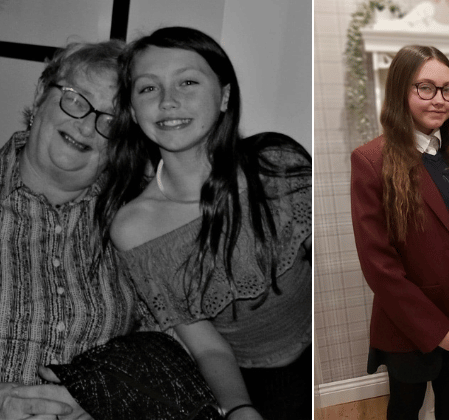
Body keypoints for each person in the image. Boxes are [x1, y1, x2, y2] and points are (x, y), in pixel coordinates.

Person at [0, 40, 149, 419]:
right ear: (42, 93)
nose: (86, 125)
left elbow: (163, 345)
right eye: (76, 98)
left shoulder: (129, 217)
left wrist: (108, 399)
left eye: (110, 120)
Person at [95, 27, 312, 420]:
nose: (168, 101)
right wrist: (238, 409)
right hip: (251, 386)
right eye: (148, 88)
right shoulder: (133, 228)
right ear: (132, 107)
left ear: (224, 95)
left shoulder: (277, 164)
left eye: (188, 82)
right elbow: (207, 346)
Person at [350, 45, 449, 420]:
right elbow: (378, 265)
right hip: (409, 326)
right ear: (402, 91)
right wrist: (437, 329)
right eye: (426, 88)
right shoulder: (372, 161)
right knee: (405, 409)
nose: (441, 100)